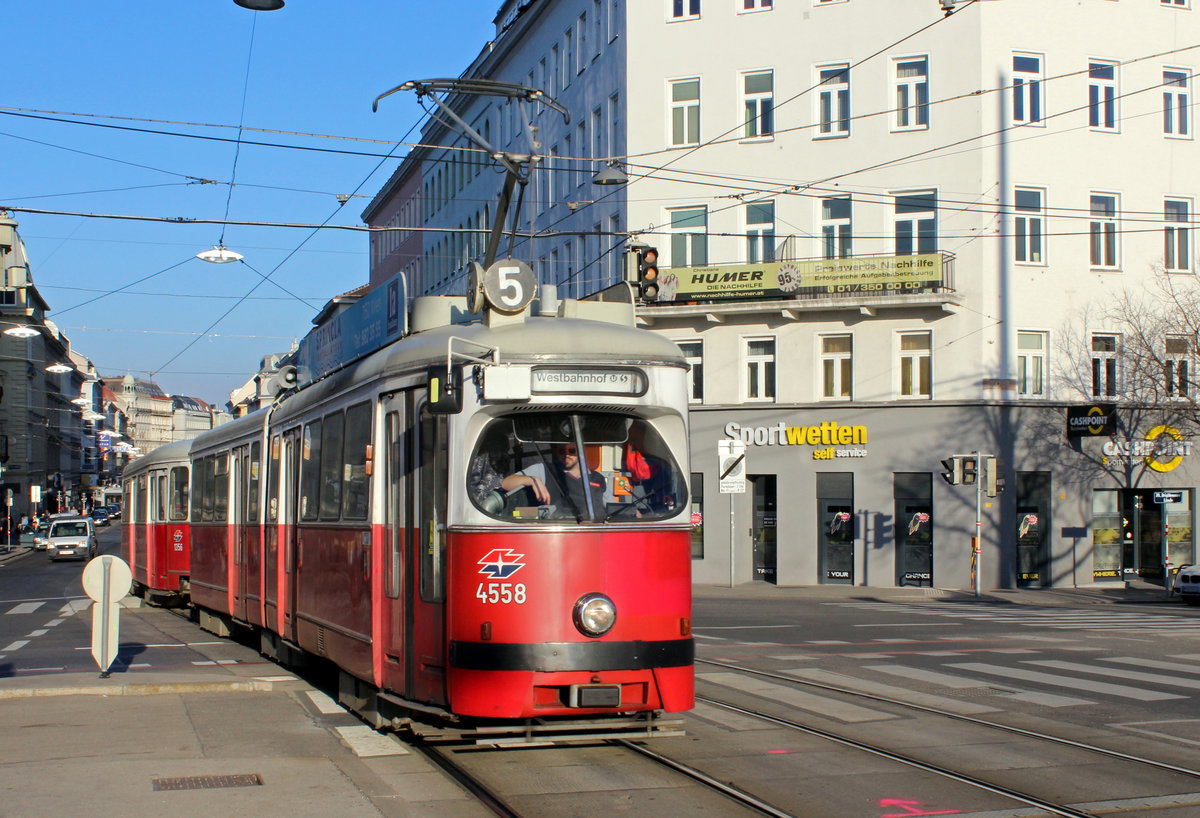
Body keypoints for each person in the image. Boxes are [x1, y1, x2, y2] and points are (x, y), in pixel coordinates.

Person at [504, 443, 606, 517]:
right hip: (555, 531)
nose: (566, 455)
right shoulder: (543, 470)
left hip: (592, 531)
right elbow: (506, 483)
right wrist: (532, 480)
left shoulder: (598, 478)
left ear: (580, 452)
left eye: (571, 451)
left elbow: (613, 508)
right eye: (561, 451)